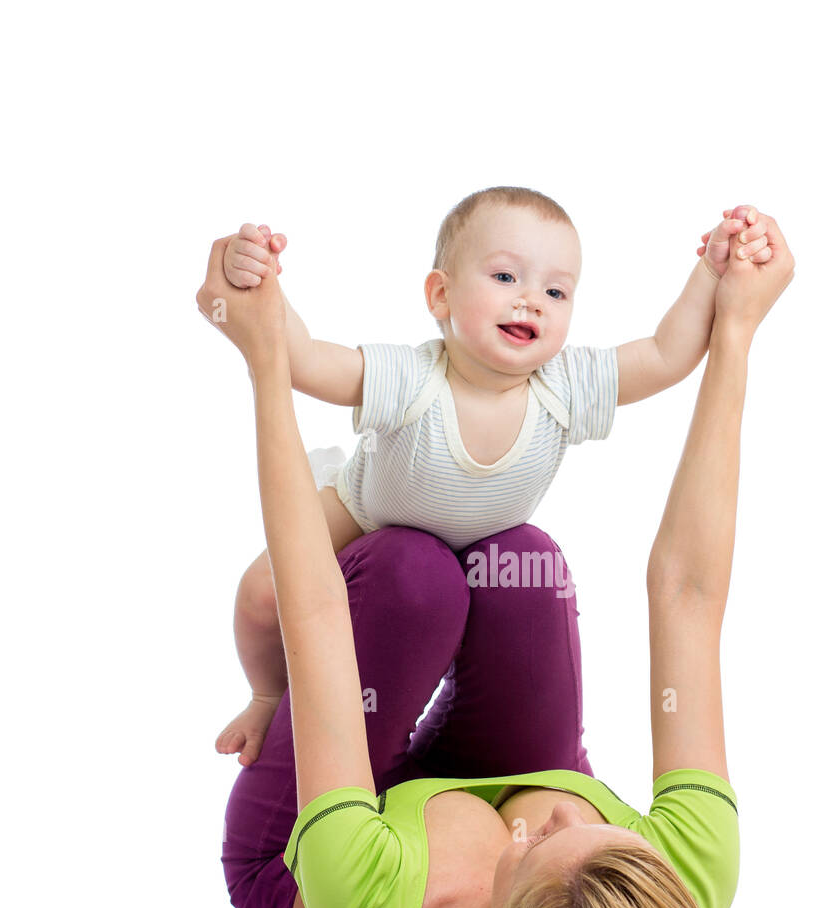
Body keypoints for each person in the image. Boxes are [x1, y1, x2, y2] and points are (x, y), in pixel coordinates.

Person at [197, 211, 795, 908]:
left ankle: (402, 672)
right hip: (449, 795)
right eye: (595, 832)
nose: (557, 819)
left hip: (297, 852)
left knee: (411, 575)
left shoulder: (377, 907)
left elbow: (315, 608)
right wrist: (735, 327)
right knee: (521, 563)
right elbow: (688, 591)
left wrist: (264, 361)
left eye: (538, 854)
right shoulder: (680, 881)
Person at [214, 187, 776, 766]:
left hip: (487, 552)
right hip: (368, 514)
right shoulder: (411, 377)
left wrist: (711, 270)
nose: (532, 301)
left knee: (517, 603)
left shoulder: (567, 385)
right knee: (260, 595)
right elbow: (303, 359)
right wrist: (260, 284)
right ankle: (266, 696)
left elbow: (667, 354)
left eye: (556, 291)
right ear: (440, 294)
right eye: (506, 278)